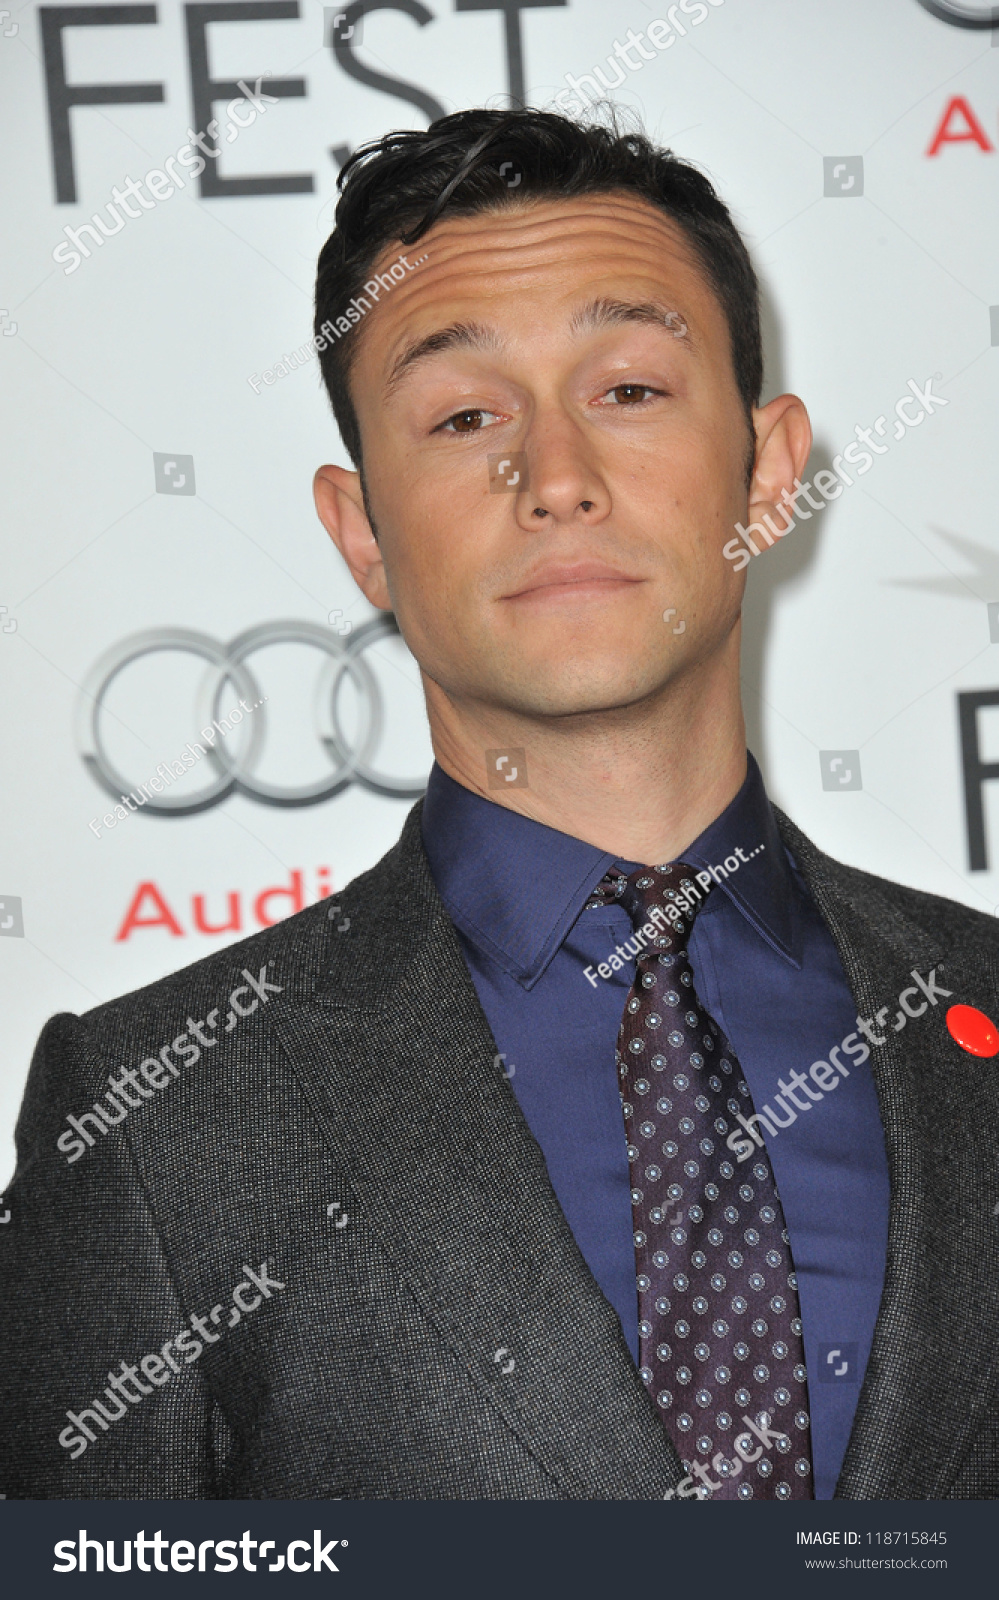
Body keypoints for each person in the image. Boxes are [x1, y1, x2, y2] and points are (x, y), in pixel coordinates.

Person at [2, 107, 996, 1503]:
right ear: (364, 536)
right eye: (467, 417)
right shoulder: (159, 1121)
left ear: (768, 474)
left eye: (631, 390)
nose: (559, 480)